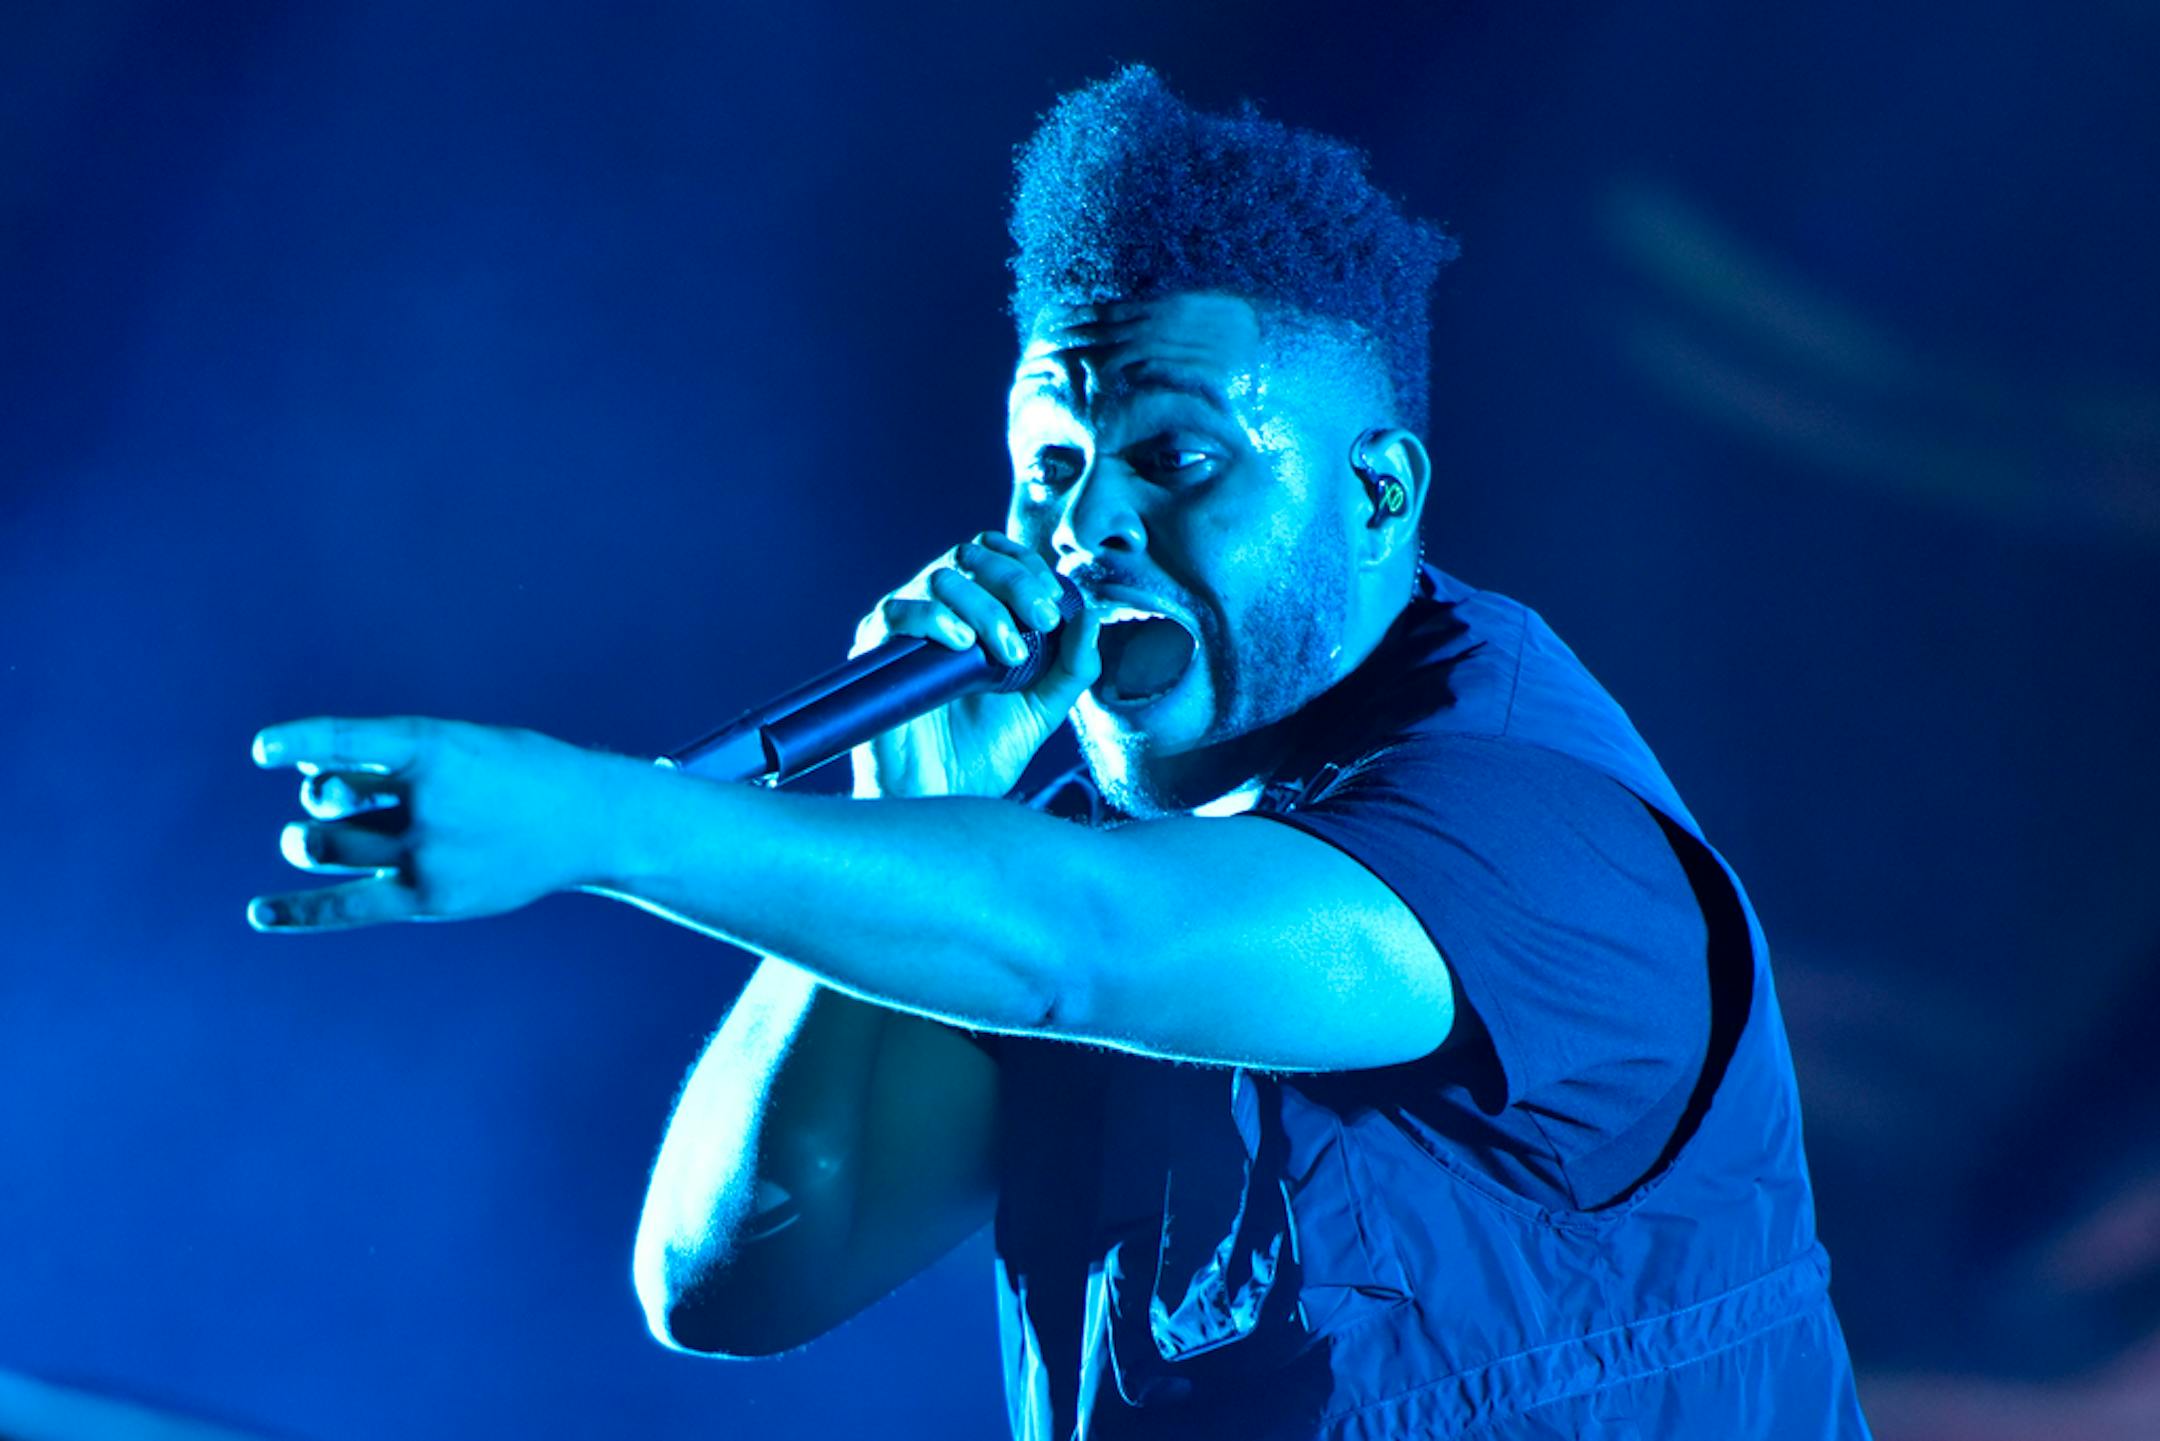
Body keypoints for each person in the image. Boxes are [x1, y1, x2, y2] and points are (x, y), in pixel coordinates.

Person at [249, 66, 1870, 1439]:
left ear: (1377, 492)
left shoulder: (1534, 825)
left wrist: (607, 818)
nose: (1088, 524)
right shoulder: (1036, 856)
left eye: (1176, 459)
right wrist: (916, 803)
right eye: (1051, 460)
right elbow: (731, 1279)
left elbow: (1091, 949)